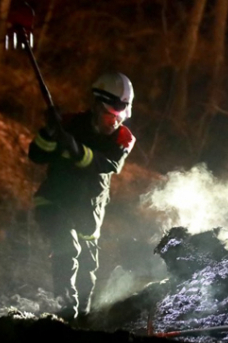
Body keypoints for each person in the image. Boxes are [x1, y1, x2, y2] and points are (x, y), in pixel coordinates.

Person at [28, 71, 136, 322]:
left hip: (89, 212)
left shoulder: (123, 137)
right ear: (97, 107)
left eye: (119, 116)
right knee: (66, 246)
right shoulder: (67, 124)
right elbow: (37, 155)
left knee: (87, 267)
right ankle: (65, 314)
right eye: (110, 115)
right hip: (54, 200)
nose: (114, 121)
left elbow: (106, 163)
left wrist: (74, 149)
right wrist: (49, 132)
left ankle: (81, 321)